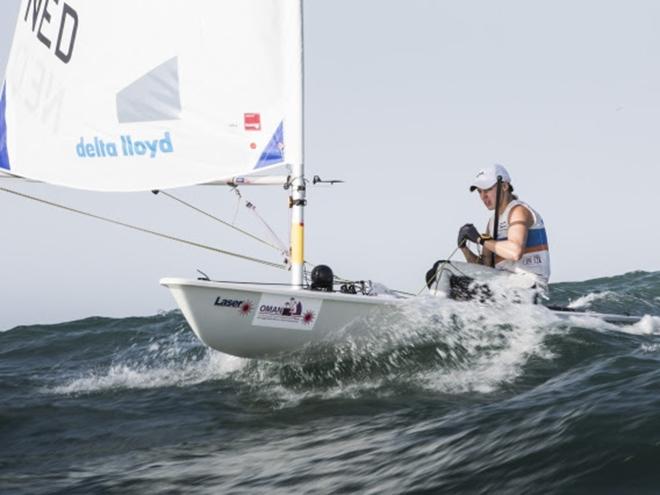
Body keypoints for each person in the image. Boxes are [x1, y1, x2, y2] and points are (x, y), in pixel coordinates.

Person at [457, 164, 551, 284]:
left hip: (529, 286)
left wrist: (480, 239)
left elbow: (515, 252)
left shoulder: (518, 211)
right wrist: (464, 248)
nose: (483, 196)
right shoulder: (491, 223)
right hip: (504, 284)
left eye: (487, 189)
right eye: (479, 191)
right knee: (438, 271)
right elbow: (484, 268)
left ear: (505, 186)